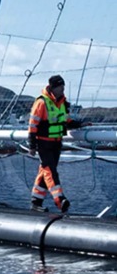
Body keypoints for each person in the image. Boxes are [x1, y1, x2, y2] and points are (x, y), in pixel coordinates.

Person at [27, 75, 90, 213]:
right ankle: (60, 200)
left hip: (56, 144)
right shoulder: (41, 102)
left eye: (63, 86)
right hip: (44, 143)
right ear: (53, 87)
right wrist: (32, 145)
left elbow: (66, 122)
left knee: (45, 172)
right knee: (50, 172)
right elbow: (32, 125)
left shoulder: (62, 103)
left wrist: (80, 124)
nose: (62, 89)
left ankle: (35, 202)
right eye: (60, 86)